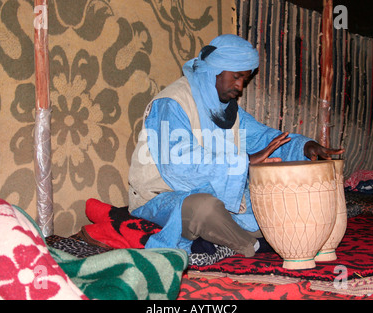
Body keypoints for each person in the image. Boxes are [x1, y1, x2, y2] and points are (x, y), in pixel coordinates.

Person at [128, 34, 344, 257]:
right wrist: (246, 162)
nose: (240, 87)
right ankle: (252, 245)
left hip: (211, 192)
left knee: (272, 200)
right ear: (214, 70)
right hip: (162, 195)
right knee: (205, 209)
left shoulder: (228, 108)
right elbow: (177, 166)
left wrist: (304, 146)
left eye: (245, 79)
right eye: (236, 77)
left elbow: (263, 138)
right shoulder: (172, 103)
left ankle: (244, 236)